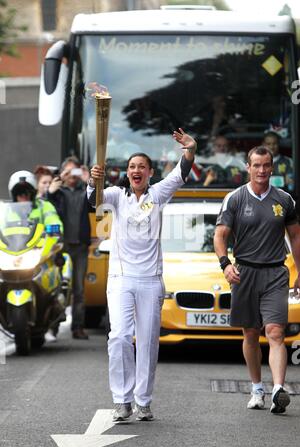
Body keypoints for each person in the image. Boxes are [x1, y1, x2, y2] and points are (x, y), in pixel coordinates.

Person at [87, 128, 196, 422]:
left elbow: (181, 172)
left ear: (149, 172)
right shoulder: (116, 195)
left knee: (147, 341)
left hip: (150, 279)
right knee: (120, 336)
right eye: (132, 166)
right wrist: (93, 180)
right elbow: (94, 202)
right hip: (121, 278)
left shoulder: (158, 194)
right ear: (127, 172)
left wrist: (190, 149)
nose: (136, 171)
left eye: (141, 167)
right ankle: (121, 399)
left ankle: (143, 401)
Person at [214, 145, 300, 414]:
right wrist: (225, 264)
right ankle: (256, 389)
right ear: (248, 168)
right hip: (245, 273)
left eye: (266, 165)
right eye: (256, 165)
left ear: (272, 168)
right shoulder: (235, 199)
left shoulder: (284, 200)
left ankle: (277, 390)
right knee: (251, 333)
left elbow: (296, 236)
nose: (262, 170)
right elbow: (220, 236)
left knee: (275, 332)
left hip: (276, 272)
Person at [47, 156, 91, 340]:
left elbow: (97, 204)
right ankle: (53, 326)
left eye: (75, 171)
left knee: (79, 289)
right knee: (58, 288)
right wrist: (56, 183)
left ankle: (78, 327)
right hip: (61, 247)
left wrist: (90, 181)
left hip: (80, 247)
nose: (72, 175)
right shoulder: (59, 192)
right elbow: (48, 204)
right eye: (69, 171)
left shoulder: (85, 191)